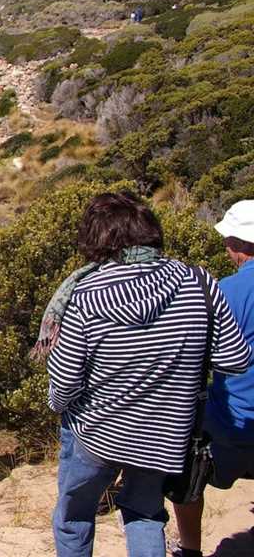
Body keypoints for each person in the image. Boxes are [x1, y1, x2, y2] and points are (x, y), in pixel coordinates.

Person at [42, 193, 250, 557]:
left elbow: (64, 383)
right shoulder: (198, 282)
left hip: (95, 433)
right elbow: (234, 359)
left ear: (98, 240)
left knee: (74, 517)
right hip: (166, 433)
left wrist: (58, 405)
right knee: (145, 515)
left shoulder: (86, 293)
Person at [173, 200, 254, 557]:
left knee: (184, 475)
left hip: (232, 418)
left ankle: (190, 548)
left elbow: (193, 354)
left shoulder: (224, 292)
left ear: (237, 245)